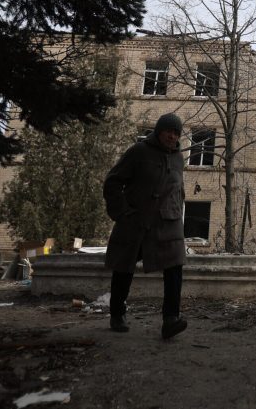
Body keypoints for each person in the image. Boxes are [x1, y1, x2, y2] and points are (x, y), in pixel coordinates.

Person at [103, 112, 188, 339]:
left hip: (168, 222)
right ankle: (117, 313)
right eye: (168, 131)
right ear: (158, 131)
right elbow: (113, 182)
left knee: (175, 267)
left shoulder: (179, 158)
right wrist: (121, 212)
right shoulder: (138, 152)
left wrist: (177, 211)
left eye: (176, 133)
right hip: (136, 220)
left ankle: (171, 319)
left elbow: (179, 189)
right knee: (125, 266)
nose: (172, 136)